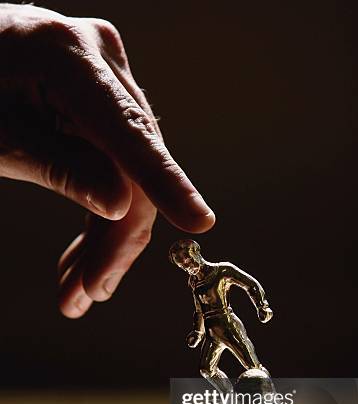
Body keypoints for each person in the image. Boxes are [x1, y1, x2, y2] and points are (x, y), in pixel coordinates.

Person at [0, 4, 215, 318]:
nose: (187, 263)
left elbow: (247, 286)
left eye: (185, 259)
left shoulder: (215, 274)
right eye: (183, 259)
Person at [169, 239, 273, 392]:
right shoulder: (193, 281)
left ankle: (269, 397)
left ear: (196, 254)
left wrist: (262, 306)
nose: (187, 266)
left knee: (253, 367)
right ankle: (230, 398)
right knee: (206, 369)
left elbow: (250, 284)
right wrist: (198, 332)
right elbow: (199, 309)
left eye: (188, 260)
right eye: (183, 265)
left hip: (228, 325)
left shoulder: (222, 270)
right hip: (211, 331)